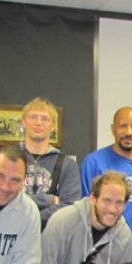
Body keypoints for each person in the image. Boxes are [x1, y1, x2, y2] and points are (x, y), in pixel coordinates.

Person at [80, 107, 132, 229]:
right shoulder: (93, 162)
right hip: (105, 239)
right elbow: (84, 210)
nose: (129, 132)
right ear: (113, 129)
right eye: (123, 126)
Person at [18, 97, 80, 228]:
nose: (38, 123)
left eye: (45, 119)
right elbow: (2, 198)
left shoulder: (68, 165)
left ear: (53, 126)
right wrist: (49, 200)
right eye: (33, 117)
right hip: (11, 233)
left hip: (50, 235)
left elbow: (70, 207)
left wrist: (31, 219)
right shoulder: (8, 158)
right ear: (23, 122)